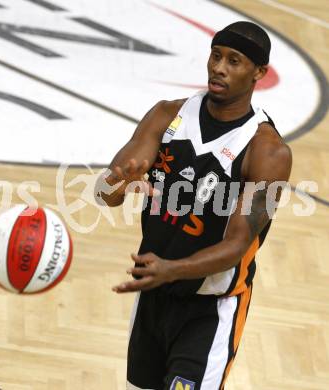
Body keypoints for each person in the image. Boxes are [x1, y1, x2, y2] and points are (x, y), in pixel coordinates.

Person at [98, 21, 292, 390]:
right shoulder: (166, 115)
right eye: (216, 56)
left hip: (211, 309)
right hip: (153, 294)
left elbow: (236, 247)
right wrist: (116, 182)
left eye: (234, 61)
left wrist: (173, 269)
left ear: (259, 73)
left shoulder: (267, 151)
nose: (219, 68)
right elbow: (103, 194)